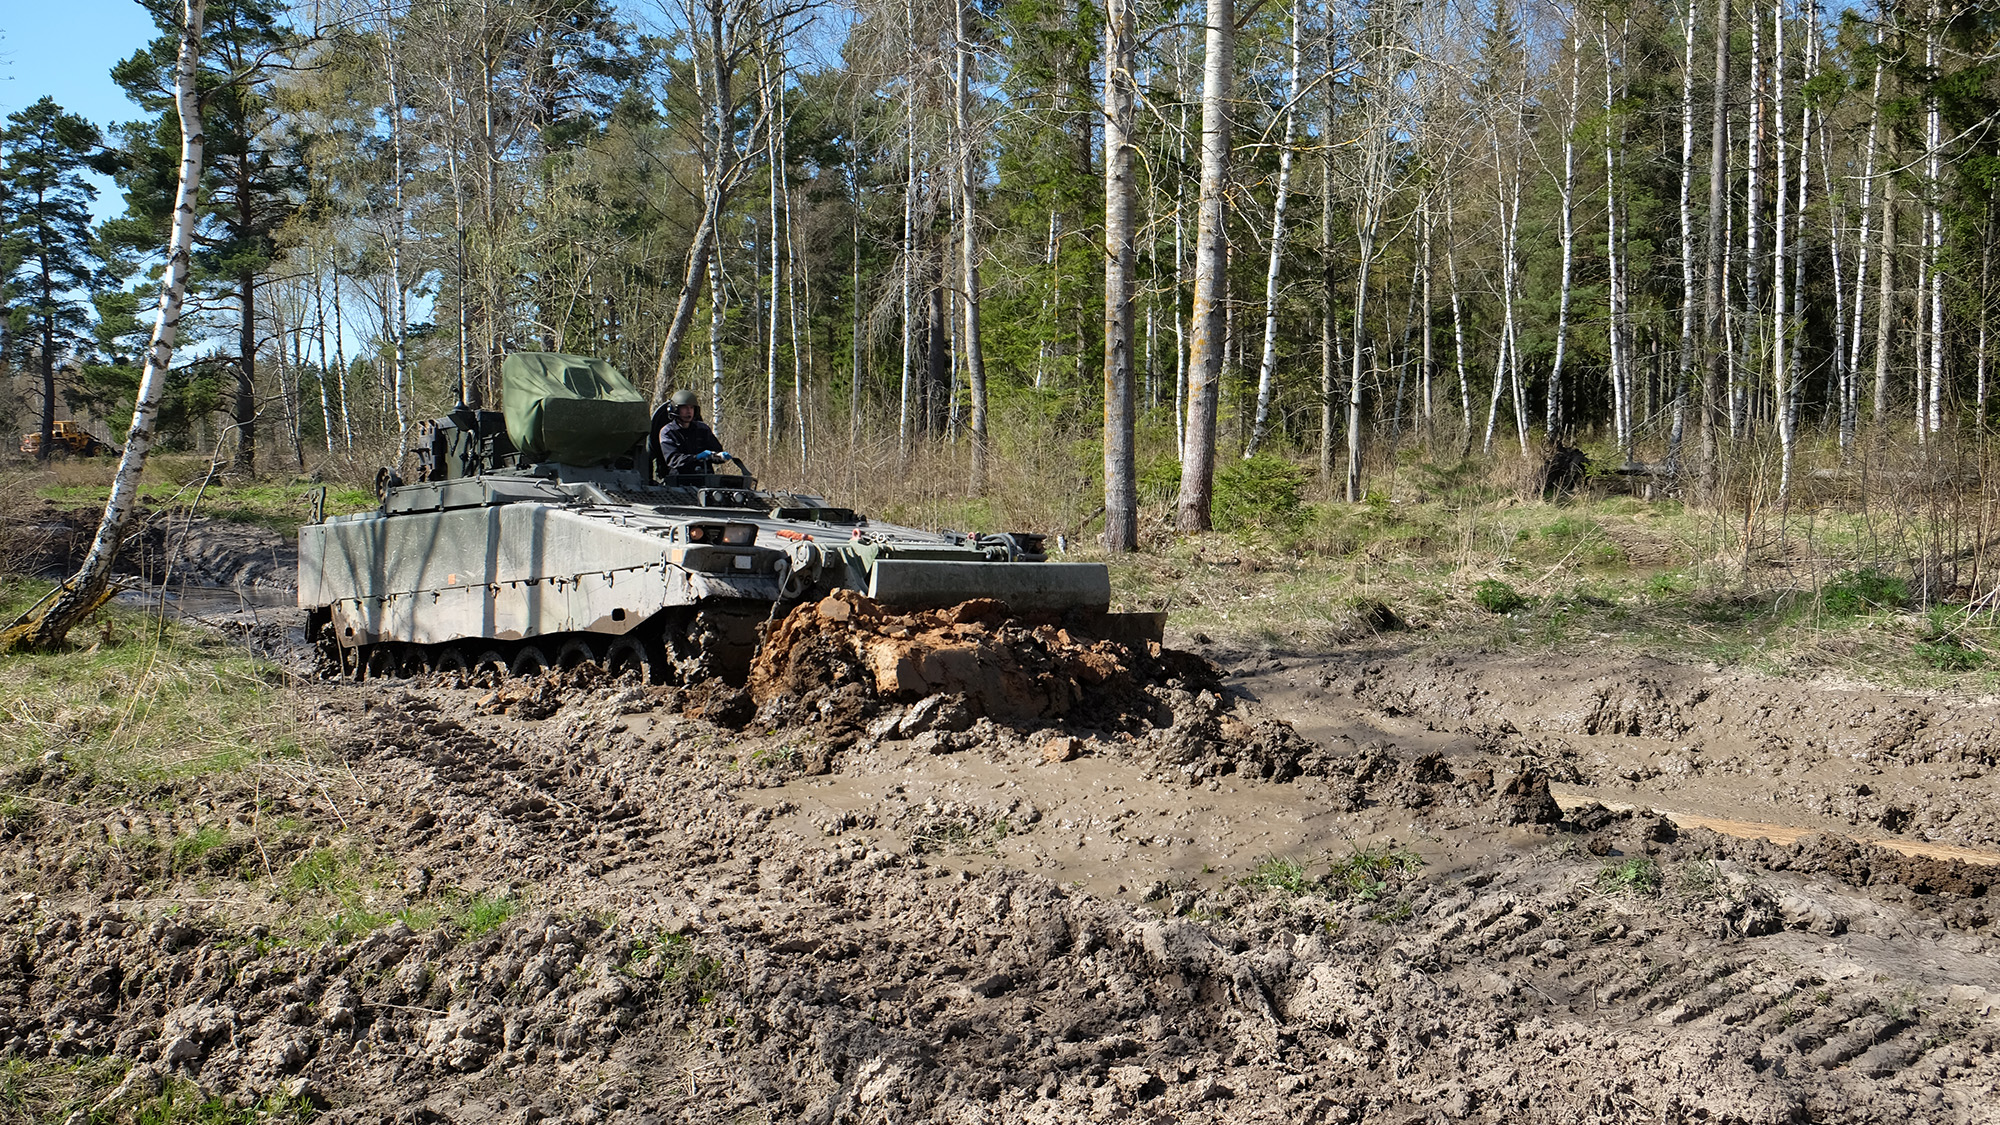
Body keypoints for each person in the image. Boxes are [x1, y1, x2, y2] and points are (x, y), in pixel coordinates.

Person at [657, 388, 730, 476]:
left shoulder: (702, 428)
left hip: (706, 478)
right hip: (679, 481)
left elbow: (715, 450)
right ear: (675, 409)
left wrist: (719, 456)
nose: (689, 411)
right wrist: (696, 457)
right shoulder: (668, 432)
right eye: (685, 407)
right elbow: (673, 460)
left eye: (691, 407)